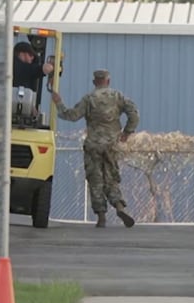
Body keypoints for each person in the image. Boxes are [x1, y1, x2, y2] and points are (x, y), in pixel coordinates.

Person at [51, 69, 139, 228]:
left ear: (94, 82)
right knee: (111, 177)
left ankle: (101, 217)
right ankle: (119, 206)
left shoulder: (89, 99)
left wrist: (59, 103)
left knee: (95, 179)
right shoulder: (118, 96)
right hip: (112, 144)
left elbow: (71, 115)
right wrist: (127, 132)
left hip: (93, 145)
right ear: (108, 81)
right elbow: (134, 114)